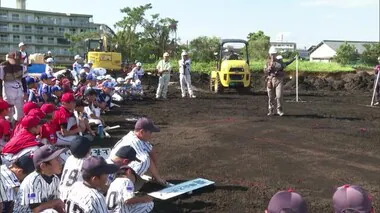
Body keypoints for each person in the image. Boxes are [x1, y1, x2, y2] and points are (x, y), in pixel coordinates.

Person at [109, 117, 166, 190]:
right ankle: (124, 186)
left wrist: (157, 177)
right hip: (112, 174)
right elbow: (146, 159)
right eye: (150, 132)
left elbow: (152, 151)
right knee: (144, 161)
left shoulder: (137, 138)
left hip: (116, 167)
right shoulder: (134, 141)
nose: (151, 135)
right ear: (142, 132)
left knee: (146, 158)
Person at [13, 145, 66, 213]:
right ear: (43, 166)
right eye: (56, 159)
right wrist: (56, 202)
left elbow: (57, 206)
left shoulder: (55, 179)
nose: (61, 161)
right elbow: (35, 209)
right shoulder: (33, 181)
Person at [59, 136, 91, 202]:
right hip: (75, 199)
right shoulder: (88, 162)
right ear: (89, 150)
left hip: (61, 196)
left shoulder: (69, 159)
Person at [0, 52, 25, 123]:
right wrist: (0, 95)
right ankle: (8, 127)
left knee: (20, 111)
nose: (20, 60)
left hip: (19, 90)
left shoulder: (22, 67)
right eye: (17, 59)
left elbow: (23, 80)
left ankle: (17, 125)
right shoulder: (2, 67)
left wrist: (25, 92)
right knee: (8, 112)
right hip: (8, 91)